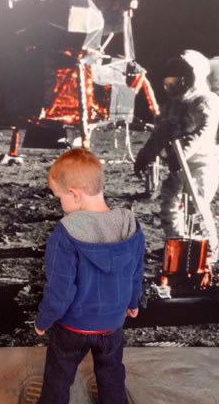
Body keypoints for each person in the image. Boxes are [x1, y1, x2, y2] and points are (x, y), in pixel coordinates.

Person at [32, 148, 145, 404]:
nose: (60, 204)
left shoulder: (65, 233)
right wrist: (133, 302)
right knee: (112, 374)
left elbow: (60, 290)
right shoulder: (130, 225)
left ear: (74, 194)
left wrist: (43, 320)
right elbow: (136, 271)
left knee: (58, 377)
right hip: (112, 324)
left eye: (59, 197)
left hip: (73, 326)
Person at [134, 50, 219, 268]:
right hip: (179, 166)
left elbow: (203, 133)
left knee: (196, 208)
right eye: (172, 77)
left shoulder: (206, 101)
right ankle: (176, 244)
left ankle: (207, 250)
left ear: (195, 76)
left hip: (201, 165)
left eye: (182, 76)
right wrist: (145, 155)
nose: (175, 82)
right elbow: (161, 133)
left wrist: (181, 153)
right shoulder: (172, 105)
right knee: (170, 206)